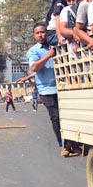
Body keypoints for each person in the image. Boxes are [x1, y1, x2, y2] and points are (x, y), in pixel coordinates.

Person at [18, 22, 78, 157]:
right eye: (37, 33)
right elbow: (34, 67)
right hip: (46, 90)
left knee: (67, 116)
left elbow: (51, 67)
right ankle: (63, 146)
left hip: (62, 87)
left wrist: (28, 77)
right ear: (34, 36)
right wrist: (49, 55)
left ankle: (72, 143)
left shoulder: (56, 45)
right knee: (56, 117)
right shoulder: (34, 51)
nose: (40, 35)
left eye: (43, 32)